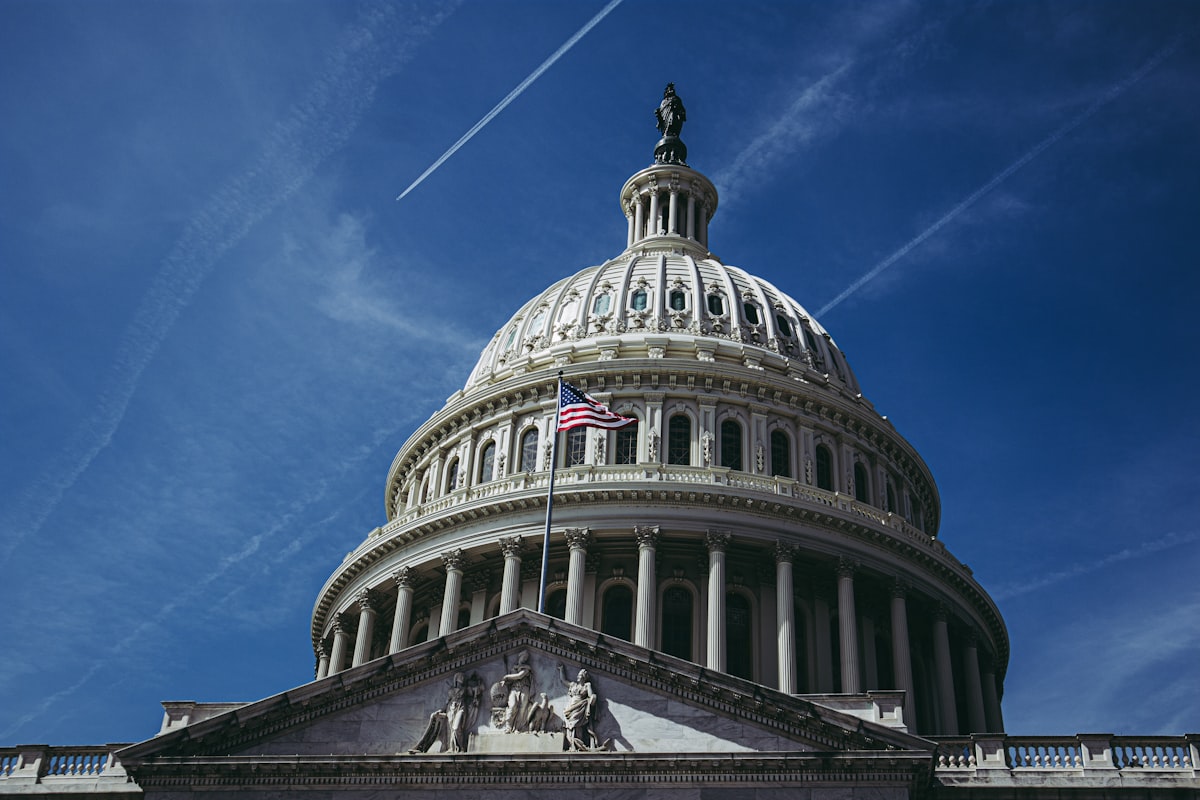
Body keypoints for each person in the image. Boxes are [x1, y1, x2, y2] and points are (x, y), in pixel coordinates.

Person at [557, 664, 597, 750]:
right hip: (570, 707)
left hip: (580, 706)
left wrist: (593, 697)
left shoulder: (587, 685)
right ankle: (571, 744)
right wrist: (561, 670)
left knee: (576, 725)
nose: (578, 677)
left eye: (580, 675)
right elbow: (563, 680)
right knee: (568, 726)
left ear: (584, 677)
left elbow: (590, 695)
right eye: (578, 675)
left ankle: (578, 743)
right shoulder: (573, 685)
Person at [499, 650, 533, 732]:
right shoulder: (513, 668)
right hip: (514, 689)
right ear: (520, 656)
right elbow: (511, 680)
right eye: (524, 657)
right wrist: (506, 681)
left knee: (523, 708)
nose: (525, 659)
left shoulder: (526, 669)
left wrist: (507, 676)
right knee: (512, 705)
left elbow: (519, 676)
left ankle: (518, 727)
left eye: (526, 658)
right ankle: (508, 727)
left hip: (524, 688)